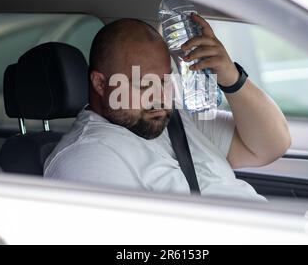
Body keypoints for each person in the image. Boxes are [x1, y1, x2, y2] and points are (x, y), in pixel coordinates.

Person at [44, 15, 291, 201]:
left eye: (164, 81)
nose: (160, 97)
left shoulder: (177, 120)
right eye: (144, 85)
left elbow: (272, 145)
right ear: (100, 83)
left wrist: (231, 78)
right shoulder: (87, 158)